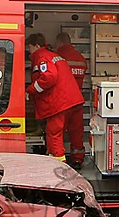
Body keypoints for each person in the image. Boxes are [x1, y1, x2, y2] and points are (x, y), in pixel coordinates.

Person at [26, 33, 86, 167]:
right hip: (74, 100)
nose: (28, 50)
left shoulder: (42, 57)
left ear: (36, 45)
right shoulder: (55, 56)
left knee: (54, 135)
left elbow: (49, 77)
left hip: (59, 103)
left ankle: (58, 167)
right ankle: (77, 159)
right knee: (76, 133)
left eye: (29, 47)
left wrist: (30, 90)